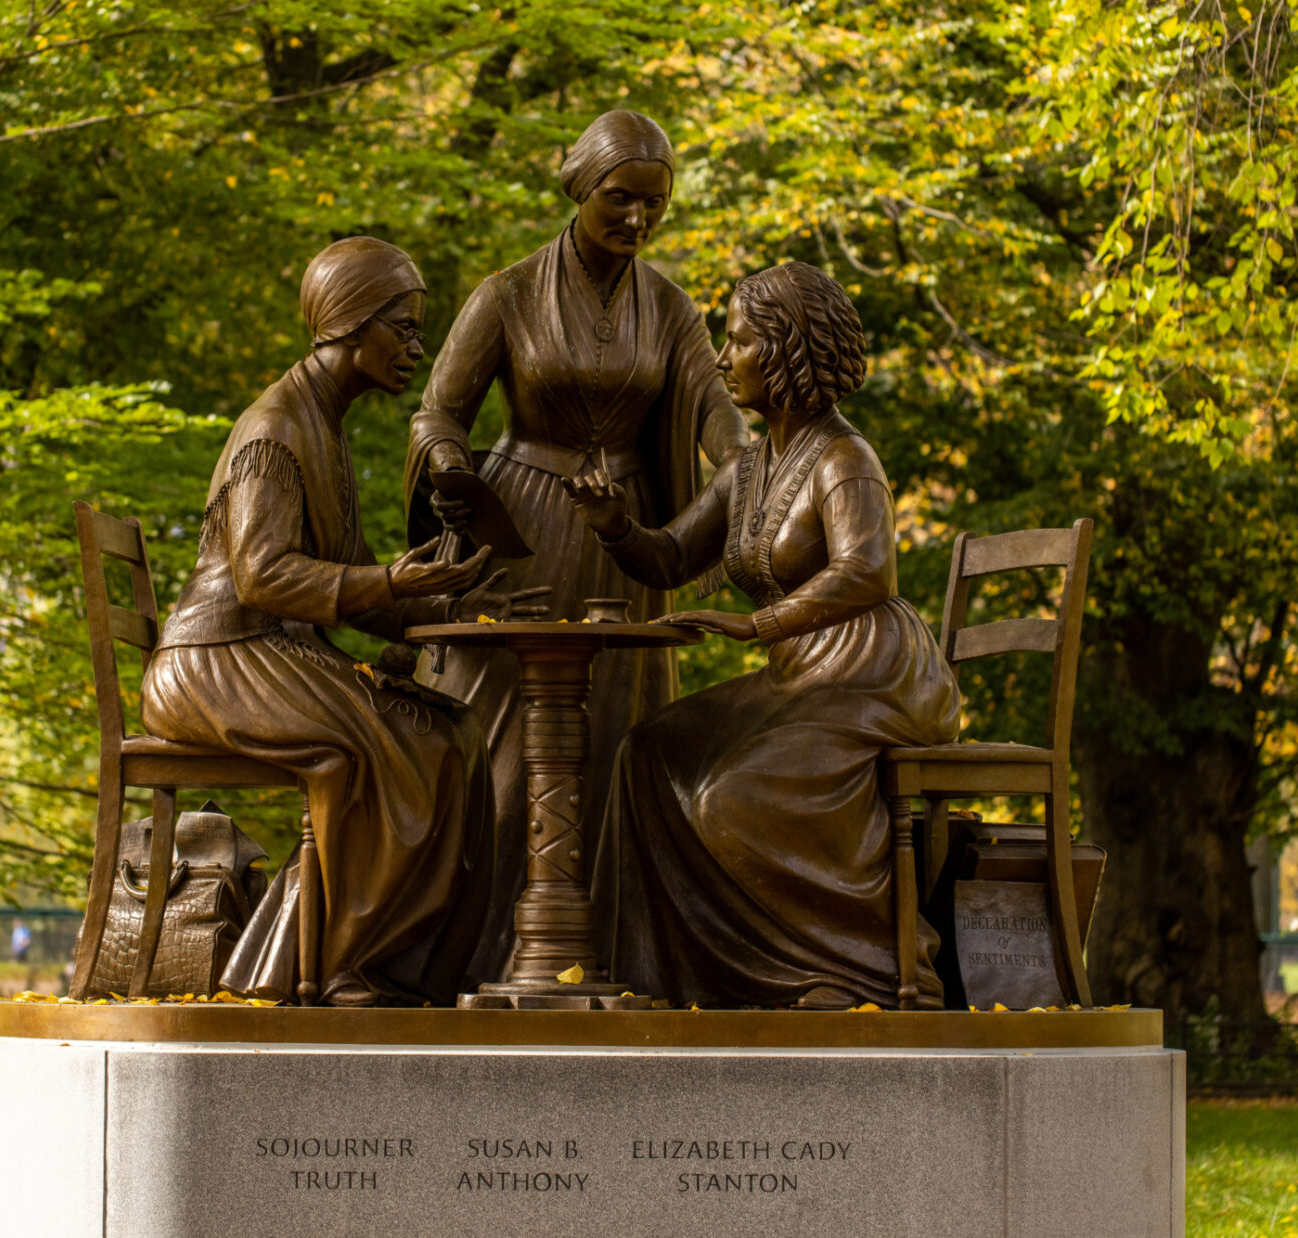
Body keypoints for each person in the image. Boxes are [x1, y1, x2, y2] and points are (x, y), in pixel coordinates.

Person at [141, 237, 543, 1008]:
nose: (418, 349)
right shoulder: (276, 429)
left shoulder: (324, 425)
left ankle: (401, 968)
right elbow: (263, 575)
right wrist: (391, 578)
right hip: (217, 659)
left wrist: (460, 605)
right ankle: (339, 965)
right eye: (406, 328)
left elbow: (356, 581)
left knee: (453, 735)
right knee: (390, 749)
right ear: (351, 326)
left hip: (270, 651)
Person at [403, 110, 750, 982]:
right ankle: (465, 956)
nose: (637, 219)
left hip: (622, 544)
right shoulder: (508, 293)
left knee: (614, 736)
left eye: (655, 205)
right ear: (580, 189)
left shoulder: (671, 308)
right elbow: (439, 411)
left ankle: (599, 953)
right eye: (620, 199)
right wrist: (448, 463)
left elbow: (716, 412)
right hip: (516, 530)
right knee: (495, 738)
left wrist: (752, 461)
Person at [564, 262, 962, 1009]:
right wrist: (614, 524)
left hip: (870, 672)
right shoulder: (749, 468)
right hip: (796, 673)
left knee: (732, 799)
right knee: (647, 755)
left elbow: (870, 572)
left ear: (785, 355)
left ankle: (858, 969)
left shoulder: (846, 459)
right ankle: (668, 972)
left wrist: (755, 623)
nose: (723, 359)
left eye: (740, 342)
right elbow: (675, 556)